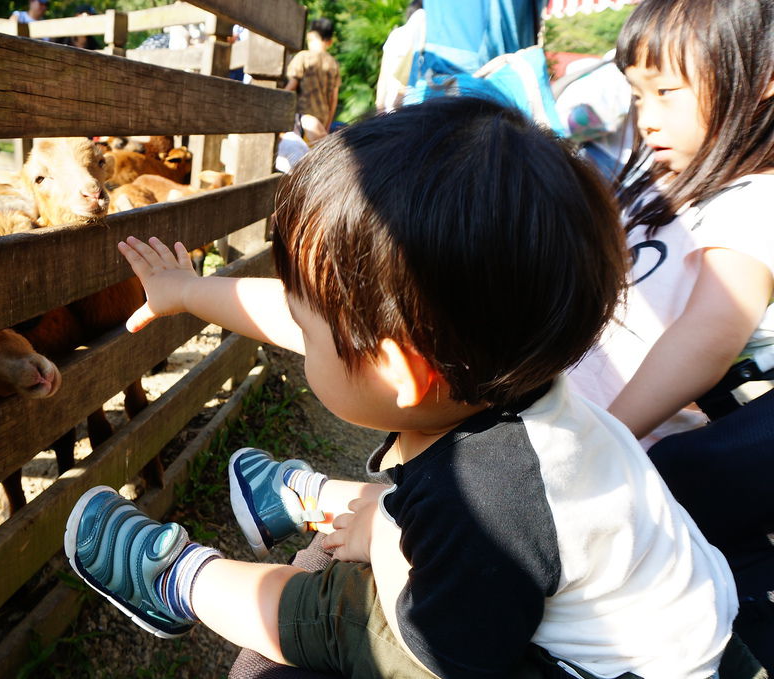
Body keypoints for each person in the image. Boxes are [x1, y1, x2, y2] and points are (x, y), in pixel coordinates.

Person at [62, 98, 762, 678]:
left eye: (309, 332)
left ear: (399, 371)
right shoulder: (517, 388)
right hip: (688, 627)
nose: (296, 331)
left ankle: (178, 579)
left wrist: (389, 552)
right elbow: (306, 319)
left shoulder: (490, 499)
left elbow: (422, 651)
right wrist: (187, 289)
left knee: (353, 617)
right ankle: (306, 505)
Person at [565, 0, 774, 666]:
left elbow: (711, 332)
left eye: (666, 92)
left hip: (620, 467)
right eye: (635, 94)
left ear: (763, 74)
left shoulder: (757, 201)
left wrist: (596, 440)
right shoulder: (666, 181)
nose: (645, 116)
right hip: (563, 424)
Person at [284, 18, 340, 145]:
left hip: (303, 118)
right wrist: (327, 125)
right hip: (322, 123)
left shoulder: (303, 56)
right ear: (329, 42)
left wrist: (278, 98)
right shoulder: (334, 64)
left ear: (310, 37)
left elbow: (292, 84)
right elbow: (333, 100)